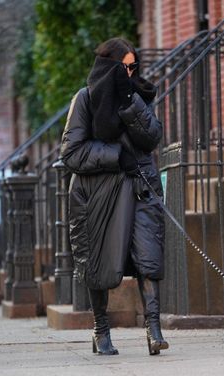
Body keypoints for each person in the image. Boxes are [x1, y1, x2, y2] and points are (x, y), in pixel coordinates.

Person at [60, 37, 168, 356]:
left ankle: (153, 328)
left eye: (134, 66)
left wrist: (128, 101)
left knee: (149, 256)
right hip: (100, 195)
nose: (130, 72)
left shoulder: (139, 96)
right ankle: (101, 329)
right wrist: (114, 155)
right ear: (109, 67)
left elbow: (151, 138)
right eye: (124, 67)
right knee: (99, 263)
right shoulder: (85, 99)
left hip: (141, 188)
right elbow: (71, 152)